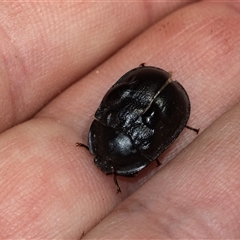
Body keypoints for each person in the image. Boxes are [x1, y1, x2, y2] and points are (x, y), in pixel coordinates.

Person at [0, 2, 239, 239]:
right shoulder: (117, 139)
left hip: (158, 91)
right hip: (160, 93)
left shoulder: (124, 143)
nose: (103, 166)